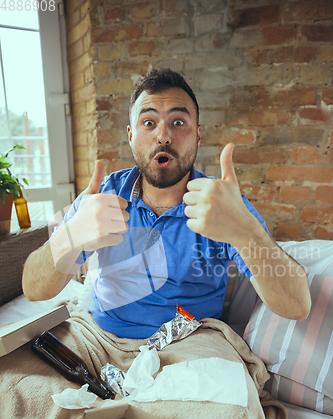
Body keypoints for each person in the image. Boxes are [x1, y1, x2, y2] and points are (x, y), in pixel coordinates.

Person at [22, 68, 311, 336]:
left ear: (197, 136)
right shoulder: (103, 195)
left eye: (178, 122)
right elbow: (34, 290)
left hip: (191, 347)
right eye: (149, 122)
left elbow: (297, 306)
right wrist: (71, 236)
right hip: (101, 339)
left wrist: (247, 234)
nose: (163, 136)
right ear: (131, 135)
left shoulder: (223, 205)